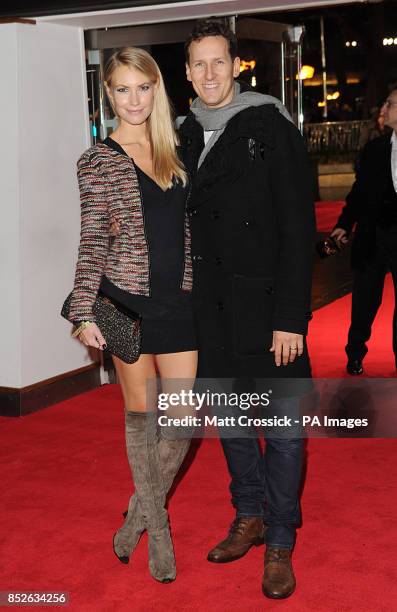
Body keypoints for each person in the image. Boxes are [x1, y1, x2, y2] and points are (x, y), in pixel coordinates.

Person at [179, 19, 315, 599]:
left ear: (236, 67)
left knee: (283, 434)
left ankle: (280, 540)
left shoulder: (269, 127)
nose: (209, 73)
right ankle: (250, 515)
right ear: (186, 72)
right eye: (198, 64)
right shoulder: (182, 133)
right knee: (234, 427)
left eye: (219, 62)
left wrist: (291, 316)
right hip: (210, 312)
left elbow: (296, 226)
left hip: (266, 310)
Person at [66, 47, 197, 583]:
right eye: (123, 89)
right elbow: (93, 240)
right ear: (109, 95)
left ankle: (134, 521)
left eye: (143, 87)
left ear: (157, 90)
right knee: (143, 422)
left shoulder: (178, 146)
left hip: (179, 300)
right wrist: (81, 310)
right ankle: (158, 533)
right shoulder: (96, 160)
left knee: (183, 420)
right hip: (123, 304)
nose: (134, 99)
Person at [331, 86, 397, 375]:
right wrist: (344, 224)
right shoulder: (375, 149)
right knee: (365, 301)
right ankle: (355, 352)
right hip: (372, 237)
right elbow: (358, 194)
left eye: (390, 103)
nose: (384, 108)